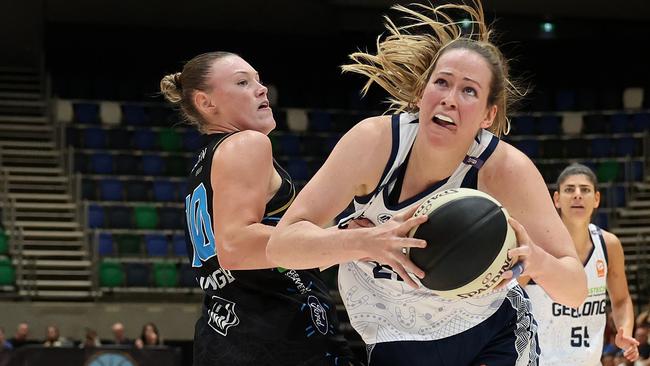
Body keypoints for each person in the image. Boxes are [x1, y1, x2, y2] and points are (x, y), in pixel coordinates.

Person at [267, 1, 588, 365]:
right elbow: (281, 247)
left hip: (490, 329)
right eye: (442, 82)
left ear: (488, 114)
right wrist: (361, 242)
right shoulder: (374, 143)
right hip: (395, 337)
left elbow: (575, 290)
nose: (450, 99)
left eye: (469, 91)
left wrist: (537, 262)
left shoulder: (506, 170)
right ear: (422, 93)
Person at [160, 52, 359, 365]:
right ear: (206, 102)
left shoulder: (206, 162)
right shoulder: (246, 144)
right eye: (242, 82)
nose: (262, 88)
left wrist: (334, 244)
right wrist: (349, 241)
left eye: (258, 79)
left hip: (225, 334)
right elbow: (237, 247)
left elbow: (270, 260)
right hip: (275, 336)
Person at [525, 163, 639, 365]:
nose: (577, 195)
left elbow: (621, 300)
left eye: (585, 190)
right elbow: (508, 302)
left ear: (596, 199)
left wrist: (625, 330)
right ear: (557, 199)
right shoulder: (537, 245)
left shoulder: (609, 245)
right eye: (569, 189)